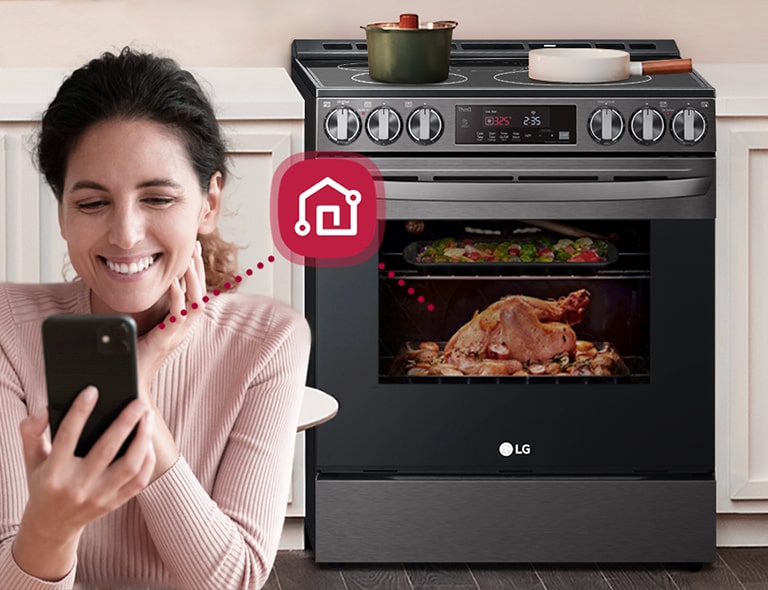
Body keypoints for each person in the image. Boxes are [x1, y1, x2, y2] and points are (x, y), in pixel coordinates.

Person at [0, 47, 311, 589]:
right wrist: (51, 527)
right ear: (62, 212)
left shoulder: (269, 339)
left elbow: (232, 580)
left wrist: (134, 388)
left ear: (208, 203)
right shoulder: (7, 329)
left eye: (159, 199)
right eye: (93, 203)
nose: (125, 234)